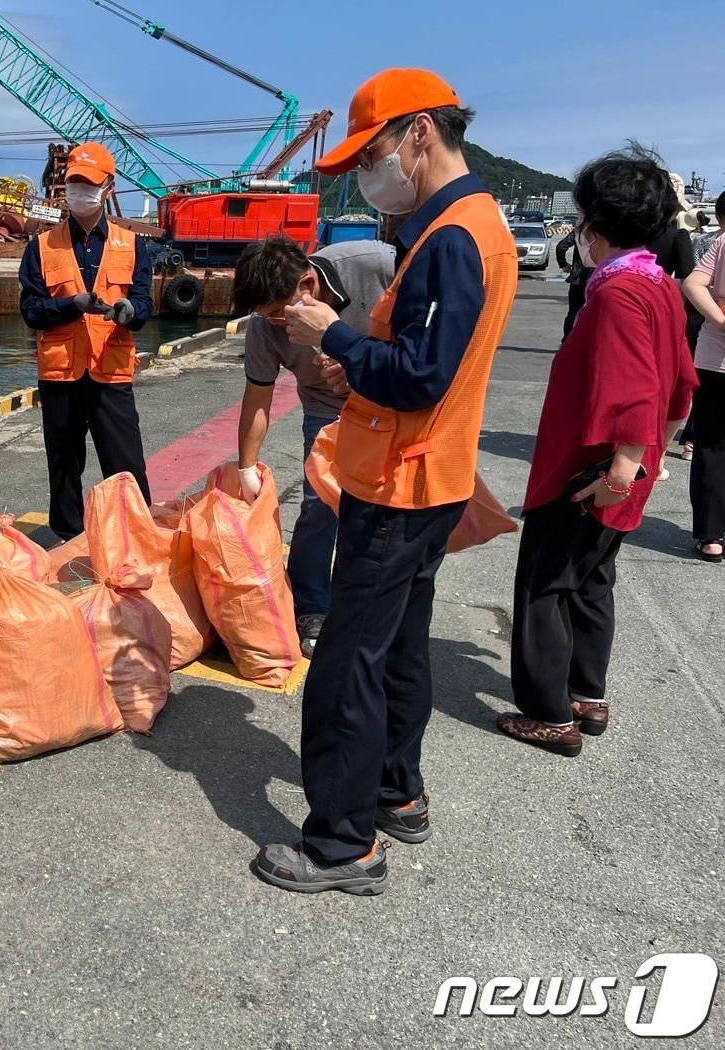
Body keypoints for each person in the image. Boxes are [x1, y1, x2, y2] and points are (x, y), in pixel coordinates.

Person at [249, 69, 517, 896]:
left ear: (420, 135)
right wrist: (358, 355)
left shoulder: (451, 240)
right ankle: (399, 790)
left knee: (347, 662)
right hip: (430, 473)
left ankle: (341, 843)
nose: (370, 177)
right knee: (401, 643)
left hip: (400, 481)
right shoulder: (465, 227)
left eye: (372, 156)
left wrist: (339, 336)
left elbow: (419, 376)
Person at [501, 148, 697, 755]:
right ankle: (586, 693)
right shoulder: (658, 282)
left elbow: (635, 388)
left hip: (585, 468)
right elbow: (681, 380)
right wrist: (650, 455)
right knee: (591, 579)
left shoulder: (615, 295)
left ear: (595, 226)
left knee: (545, 584)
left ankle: (549, 714)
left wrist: (622, 466)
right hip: (623, 466)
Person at [232, 235, 395, 656]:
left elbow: (424, 336)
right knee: (319, 505)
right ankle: (313, 605)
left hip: (393, 405)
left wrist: (358, 359)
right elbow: (258, 396)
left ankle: (376, 606)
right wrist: (245, 467)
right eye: (263, 317)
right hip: (327, 410)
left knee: (388, 509)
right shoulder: (265, 328)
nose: (275, 325)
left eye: (277, 315)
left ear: (307, 285)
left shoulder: (376, 265)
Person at [18, 142, 154, 540]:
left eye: (89, 184)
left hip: (111, 373)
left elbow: (145, 302)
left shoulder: (132, 245)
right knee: (63, 463)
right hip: (60, 374)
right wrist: (72, 304)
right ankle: (69, 538)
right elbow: (31, 310)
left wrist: (131, 311)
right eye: (74, 182)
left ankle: (135, 537)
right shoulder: (41, 246)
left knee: (126, 463)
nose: (80, 191)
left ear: (108, 187)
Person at [683, 195, 725, 563]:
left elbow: (693, 284)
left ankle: (711, 537)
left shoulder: (723, 242)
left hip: (716, 360)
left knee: (711, 446)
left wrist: (720, 319)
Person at [555, 227, 593, 339]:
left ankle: (567, 340)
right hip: (598, 278)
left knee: (574, 311)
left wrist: (563, 264)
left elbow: (561, 246)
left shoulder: (581, 231)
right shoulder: (607, 232)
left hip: (578, 278)